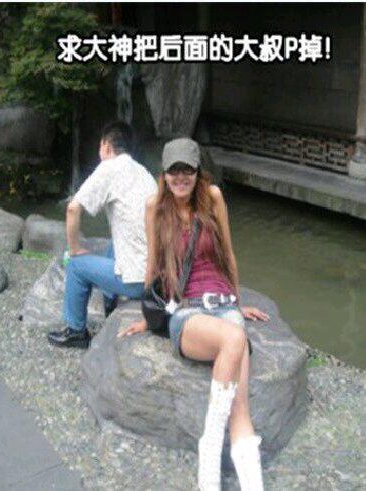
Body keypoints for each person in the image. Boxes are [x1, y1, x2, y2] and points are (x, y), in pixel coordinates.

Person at [119, 137, 269, 490]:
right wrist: (149, 316)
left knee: (241, 410)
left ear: (198, 172)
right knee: (235, 337)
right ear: (164, 174)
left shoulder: (213, 198)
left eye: (187, 170)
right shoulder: (155, 207)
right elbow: (153, 264)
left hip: (225, 306)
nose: (180, 177)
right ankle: (210, 445)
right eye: (174, 171)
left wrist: (237, 301)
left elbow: (228, 254)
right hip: (187, 312)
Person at [48, 121, 157, 348]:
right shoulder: (144, 172)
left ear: (106, 146)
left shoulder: (109, 167)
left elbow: (72, 209)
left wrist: (74, 250)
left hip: (138, 280)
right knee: (113, 246)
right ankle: (110, 304)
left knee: (76, 265)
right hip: (156, 276)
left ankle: (76, 331)